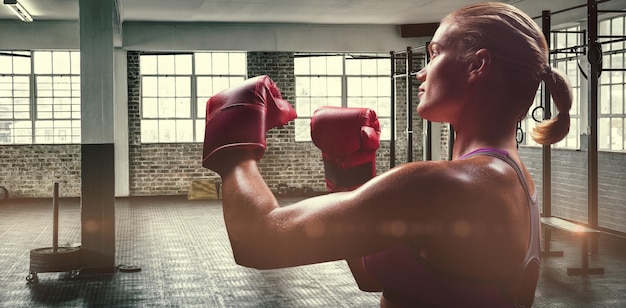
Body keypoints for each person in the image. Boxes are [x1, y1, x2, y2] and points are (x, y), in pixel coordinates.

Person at [201, 2, 572, 307]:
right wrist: (348, 171)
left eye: (435, 53)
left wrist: (233, 141)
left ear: (478, 64)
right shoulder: (512, 178)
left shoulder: (445, 184)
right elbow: (372, 272)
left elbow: (259, 241)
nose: (420, 74)